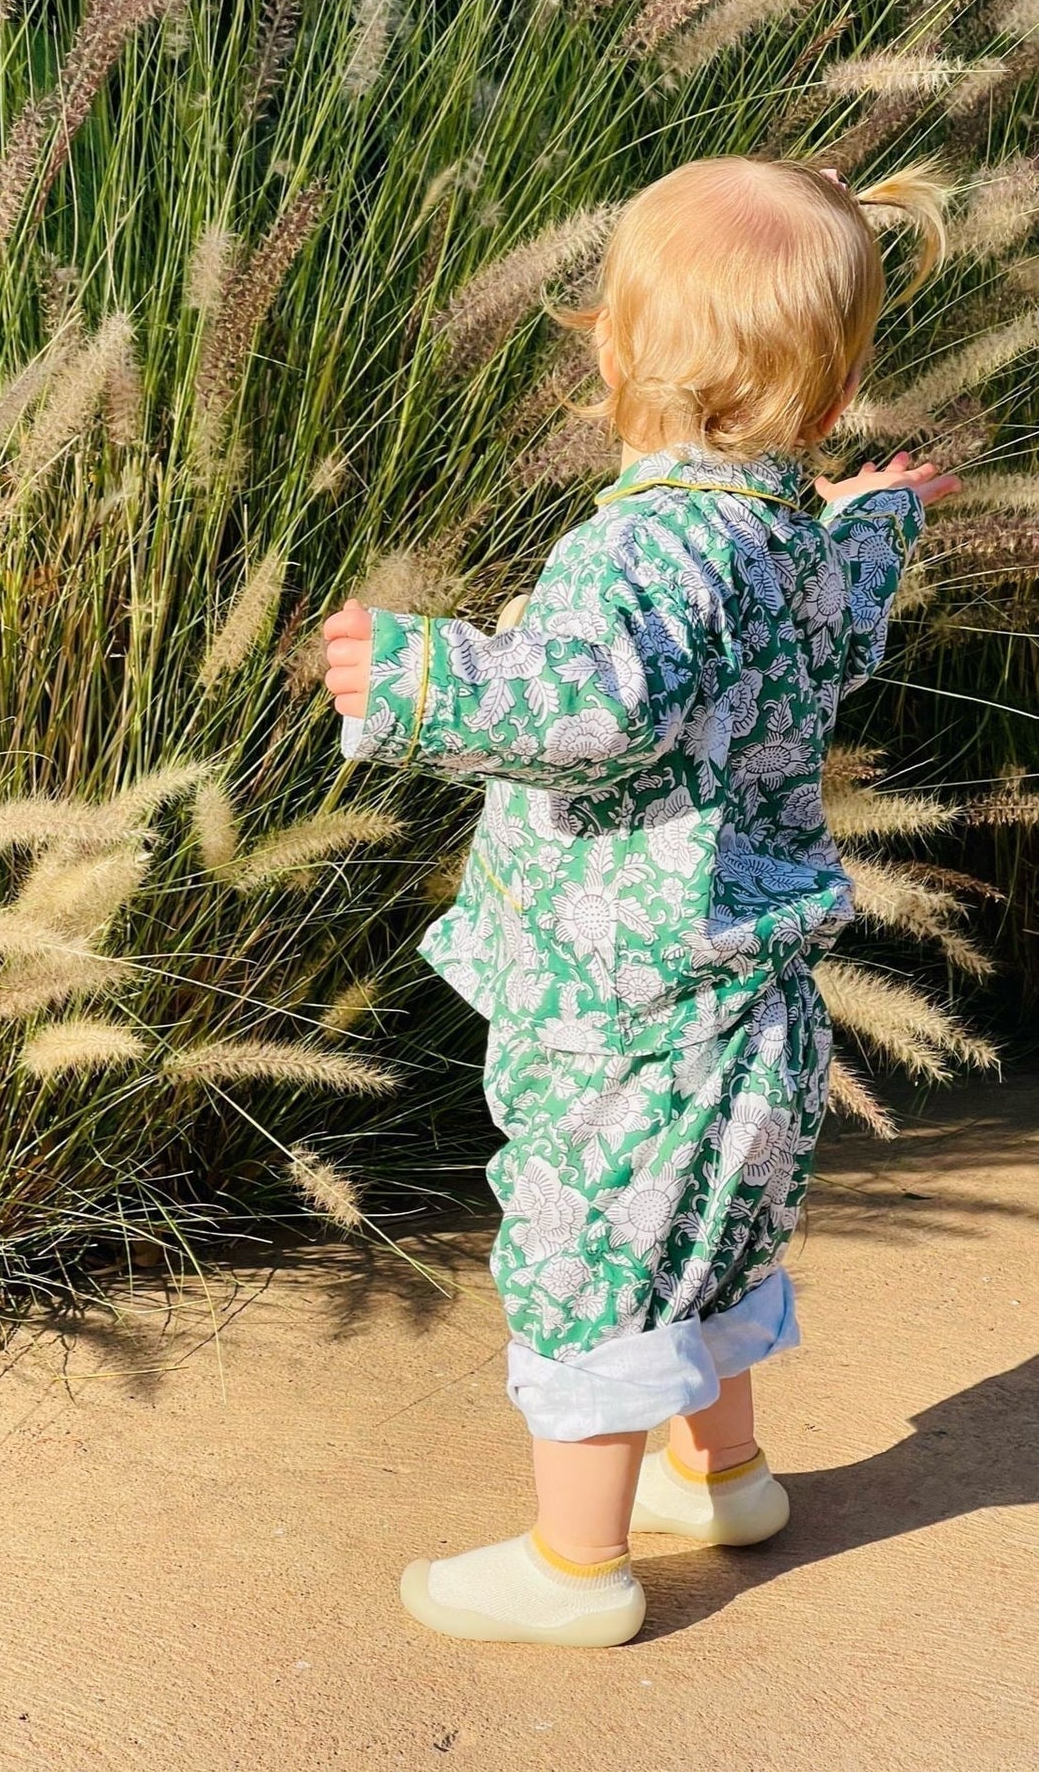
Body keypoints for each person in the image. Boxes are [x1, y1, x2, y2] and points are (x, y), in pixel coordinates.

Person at [322, 156, 962, 1647]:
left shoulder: (645, 550)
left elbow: (584, 705)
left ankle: (574, 1569)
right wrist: (879, 519)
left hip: (630, 1001)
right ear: (833, 384)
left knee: (589, 1259)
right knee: (708, 1239)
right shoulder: (784, 536)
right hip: (748, 1000)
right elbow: (843, 611)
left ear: (609, 349)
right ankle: (720, 1476)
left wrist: (417, 678)